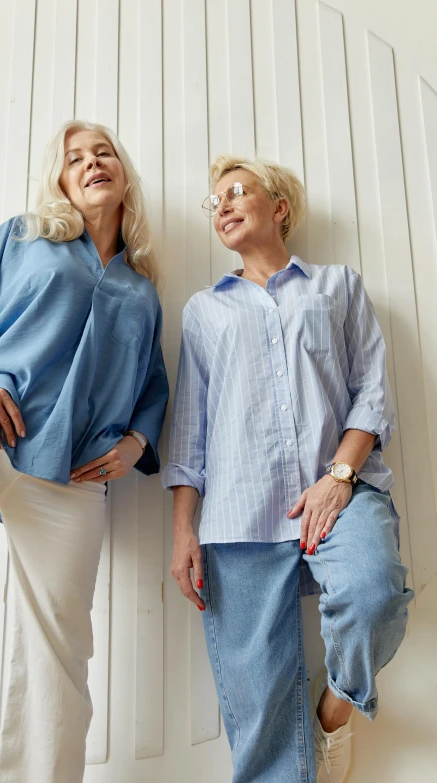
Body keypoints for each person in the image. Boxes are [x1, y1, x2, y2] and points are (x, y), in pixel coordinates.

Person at [0, 119, 168, 783]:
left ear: (124, 173)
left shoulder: (143, 291)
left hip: (74, 484)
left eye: (104, 152)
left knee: (60, 667)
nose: (91, 164)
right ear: (59, 180)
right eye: (75, 158)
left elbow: (154, 387)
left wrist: (135, 441)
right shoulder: (24, 239)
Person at [164, 155, 413, 783]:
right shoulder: (204, 311)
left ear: (280, 208)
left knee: (374, 594)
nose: (221, 205)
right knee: (262, 721)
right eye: (213, 200)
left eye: (237, 191)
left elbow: (373, 393)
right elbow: (190, 429)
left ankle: (333, 712)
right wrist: (183, 532)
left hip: (341, 494)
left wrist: (340, 476)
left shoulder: (338, 286)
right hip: (236, 516)